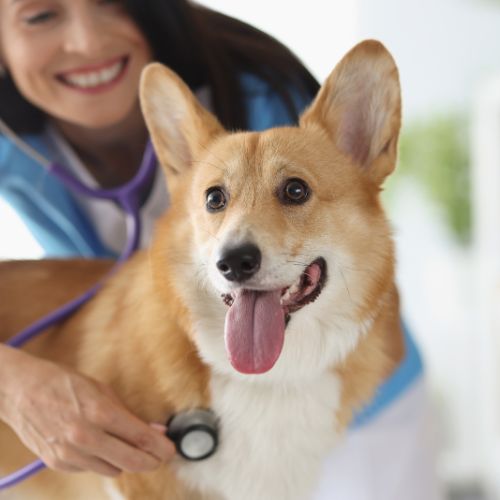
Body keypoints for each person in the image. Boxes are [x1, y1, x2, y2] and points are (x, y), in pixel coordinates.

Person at [0, 1, 441, 498]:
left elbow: (364, 256)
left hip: (356, 399)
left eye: (293, 192)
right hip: (180, 385)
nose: (85, 41)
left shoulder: (265, 98)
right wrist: (12, 385)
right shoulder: (13, 143)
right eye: (39, 15)